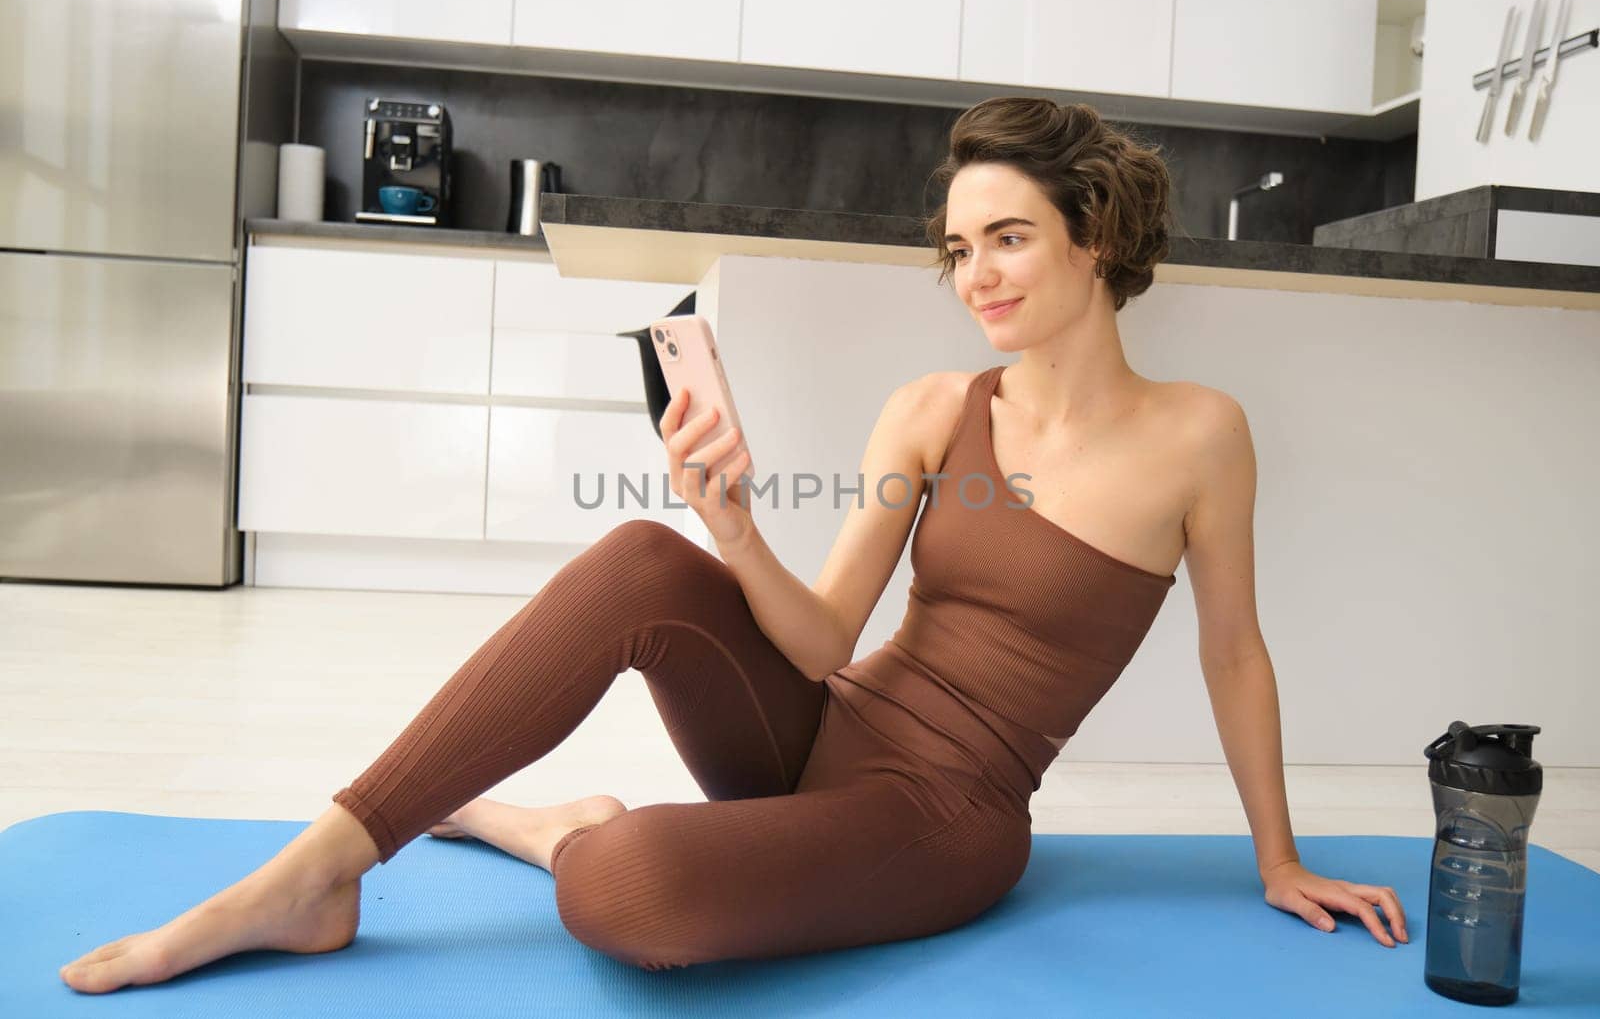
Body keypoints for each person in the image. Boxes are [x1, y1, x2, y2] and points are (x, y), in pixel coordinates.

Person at [59, 97, 1406, 994]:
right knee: (650, 558)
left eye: (1011, 238)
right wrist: (734, 524)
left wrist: (1277, 857)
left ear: (1094, 238)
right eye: (962, 247)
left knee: (634, 891)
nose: (981, 273)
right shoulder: (937, 408)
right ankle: (322, 867)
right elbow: (823, 640)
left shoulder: (1199, 437)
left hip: (949, 815)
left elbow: (1235, 650)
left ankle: (551, 830)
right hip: (826, 727)